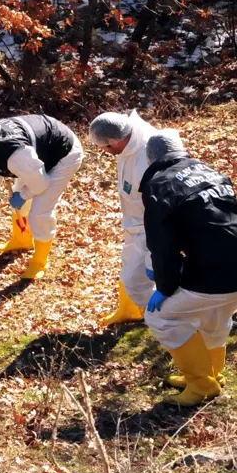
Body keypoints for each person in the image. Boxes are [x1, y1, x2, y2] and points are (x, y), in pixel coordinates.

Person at [140, 131, 237, 406]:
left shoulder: (160, 185)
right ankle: (212, 373)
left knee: (161, 317)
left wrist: (164, 286)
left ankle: (201, 386)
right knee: (215, 314)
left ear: (151, 158)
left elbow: (163, 246)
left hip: (221, 270)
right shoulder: (207, 170)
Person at [0, 115, 84, 279]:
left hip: (63, 153)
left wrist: (23, 195)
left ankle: (40, 261)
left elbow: (41, 183)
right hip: (36, 152)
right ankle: (21, 240)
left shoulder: (14, 155)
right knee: (18, 200)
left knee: (40, 212)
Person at [88, 110, 159, 326]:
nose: (105, 152)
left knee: (136, 279)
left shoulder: (149, 152)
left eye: (105, 147)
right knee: (129, 264)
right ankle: (130, 310)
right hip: (135, 221)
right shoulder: (128, 143)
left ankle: (164, 318)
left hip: (151, 226)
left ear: (114, 141)